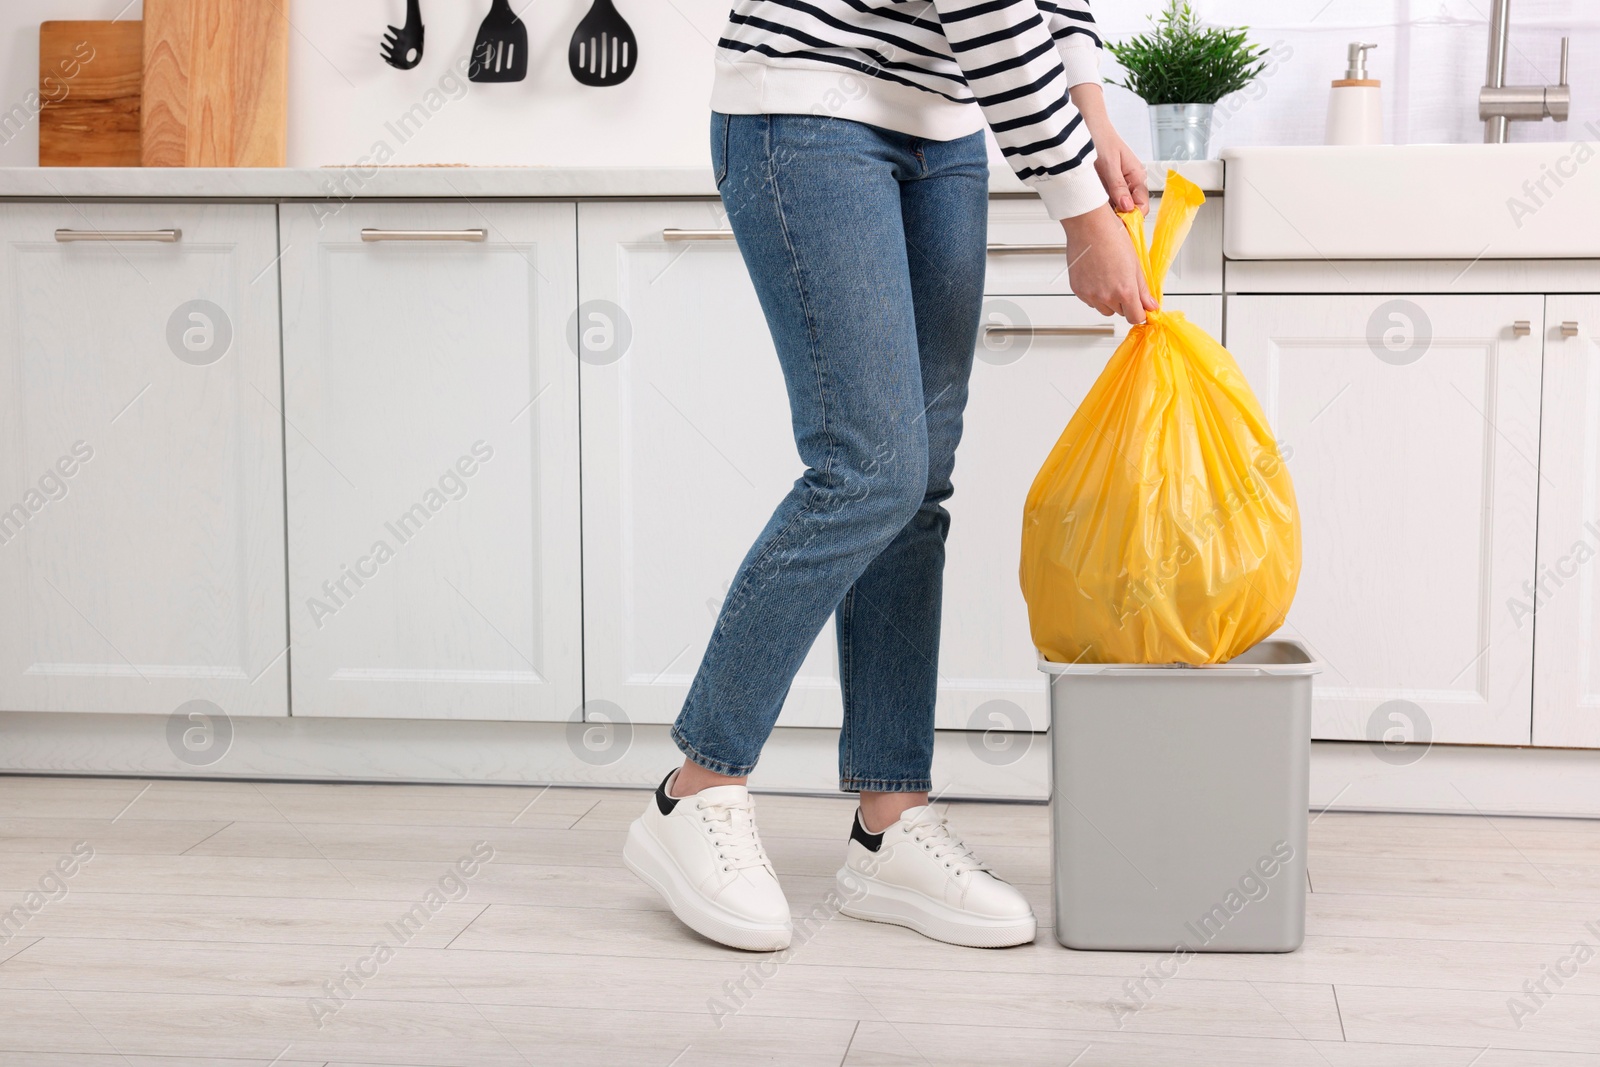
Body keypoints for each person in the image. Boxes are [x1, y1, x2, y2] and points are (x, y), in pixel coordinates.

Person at [623, 0, 1156, 951]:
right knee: (868, 470)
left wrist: (1096, 116)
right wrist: (1079, 209)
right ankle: (694, 790)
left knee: (917, 490)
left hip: (946, 129)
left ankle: (889, 819)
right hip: (809, 108)